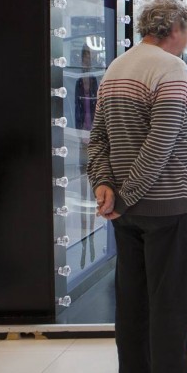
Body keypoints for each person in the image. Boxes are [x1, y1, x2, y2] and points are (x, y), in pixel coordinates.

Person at [87, 0, 187, 373]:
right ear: (177, 30)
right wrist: (125, 195)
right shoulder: (170, 70)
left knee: (132, 307)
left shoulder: (116, 69)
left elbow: (98, 138)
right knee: (171, 308)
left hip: (128, 216)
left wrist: (104, 185)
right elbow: (162, 143)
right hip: (167, 207)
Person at [75, 46, 100, 269]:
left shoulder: (94, 81)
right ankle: (85, 239)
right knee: (84, 183)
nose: (86, 61)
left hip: (95, 136)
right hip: (82, 137)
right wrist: (79, 134)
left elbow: (98, 110)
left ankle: (92, 234)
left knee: (95, 185)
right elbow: (77, 110)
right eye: (84, 57)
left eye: (88, 57)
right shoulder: (77, 82)